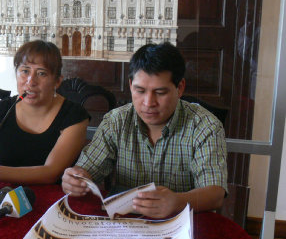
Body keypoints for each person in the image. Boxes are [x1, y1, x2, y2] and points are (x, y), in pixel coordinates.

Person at [61, 42, 227, 219]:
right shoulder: (116, 121)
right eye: (140, 91)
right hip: (126, 222)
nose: (148, 103)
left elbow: (215, 194)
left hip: (181, 223)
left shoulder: (204, 126)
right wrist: (75, 179)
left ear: (180, 88)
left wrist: (178, 201)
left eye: (160, 92)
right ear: (131, 85)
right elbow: (87, 169)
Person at [0, 40, 90, 185]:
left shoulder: (74, 116)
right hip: (6, 195)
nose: (30, 81)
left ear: (57, 81)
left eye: (41, 73)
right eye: (25, 71)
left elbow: (50, 173)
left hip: (55, 199)